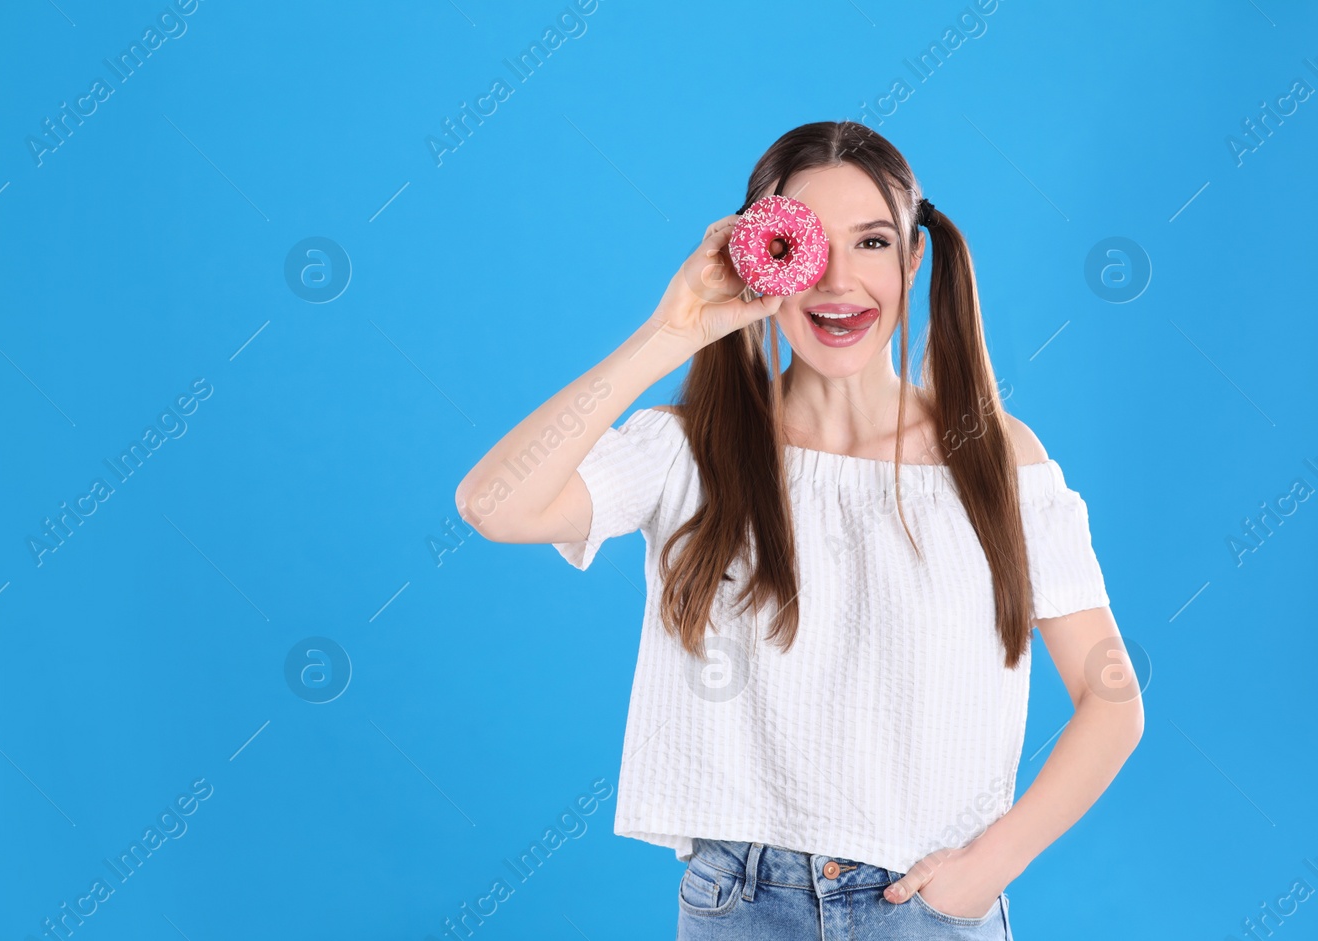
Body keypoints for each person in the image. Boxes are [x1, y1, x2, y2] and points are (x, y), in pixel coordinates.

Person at [453, 121, 1143, 939]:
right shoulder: (688, 450)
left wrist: (980, 874)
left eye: (875, 242)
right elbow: (494, 502)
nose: (840, 282)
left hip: (924, 907)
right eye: (804, 246)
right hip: (741, 903)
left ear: (915, 259)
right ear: (756, 257)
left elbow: (1112, 704)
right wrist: (668, 333)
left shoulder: (996, 460)